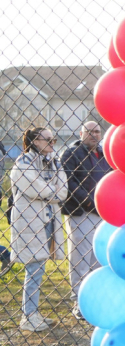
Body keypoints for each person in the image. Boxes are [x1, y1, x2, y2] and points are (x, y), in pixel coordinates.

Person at [11, 127, 67, 332]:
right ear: (35, 142)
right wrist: (50, 191)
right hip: (29, 223)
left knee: (39, 269)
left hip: (48, 220)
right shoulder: (22, 164)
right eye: (48, 140)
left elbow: (62, 192)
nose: (53, 143)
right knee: (33, 269)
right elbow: (36, 189)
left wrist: (48, 192)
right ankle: (28, 316)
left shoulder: (54, 162)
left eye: (54, 139)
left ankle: (33, 313)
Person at [60, 121, 110, 319]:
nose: (93, 135)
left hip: (102, 213)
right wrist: (90, 202)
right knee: (80, 258)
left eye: (97, 131)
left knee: (98, 258)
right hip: (82, 212)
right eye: (89, 132)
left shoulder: (104, 154)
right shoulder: (71, 153)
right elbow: (68, 181)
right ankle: (79, 301)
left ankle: (95, 298)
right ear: (81, 133)